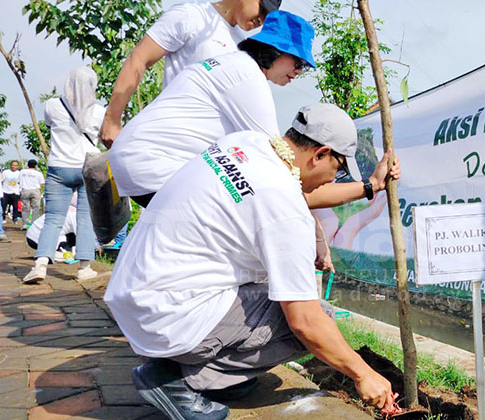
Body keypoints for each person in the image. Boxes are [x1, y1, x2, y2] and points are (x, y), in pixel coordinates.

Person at [104, 104, 396, 420]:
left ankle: (215, 378)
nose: (332, 179)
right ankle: (175, 379)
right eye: (338, 169)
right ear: (321, 154)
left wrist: (371, 186)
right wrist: (362, 373)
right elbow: (305, 321)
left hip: (133, 294)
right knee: (317, 317)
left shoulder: (245, 145)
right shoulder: (285, 208)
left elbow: (296, 194)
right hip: (166, 317)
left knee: (268, 283)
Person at [108, 10, 311, 207]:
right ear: (276, 50)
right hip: (154, 163)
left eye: (305, 67)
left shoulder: (234, 62)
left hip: (140, 156)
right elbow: (277, 160)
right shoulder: (248, 77)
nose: (299, 71)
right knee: (241, 207)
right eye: (299, 61)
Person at [99, 0, 282, 147]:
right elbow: (138, 60)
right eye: (262, 9)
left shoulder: (242, 48)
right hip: (169, 146)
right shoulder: (192, 16)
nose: (262, 19)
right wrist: (112, 120)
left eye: (268, 17)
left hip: (207, 159)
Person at [22, 66, 103, 284]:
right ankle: (84, 267)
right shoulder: (99, 110)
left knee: (54, 219)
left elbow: (49, 124)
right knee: (85, 218)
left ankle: (40, 265)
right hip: (88, 167)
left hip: (59, 167)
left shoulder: (52, 105)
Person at [19, 159, 46, 229]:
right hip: (35, 191)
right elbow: (42, 183)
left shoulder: (22, 172)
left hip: (25, 190)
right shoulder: (38, 173)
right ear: (35, 166)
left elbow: (19, 181)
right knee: (36, 208)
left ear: (28, 165)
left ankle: (25, 224)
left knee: (25, 208)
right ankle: (34, 223)